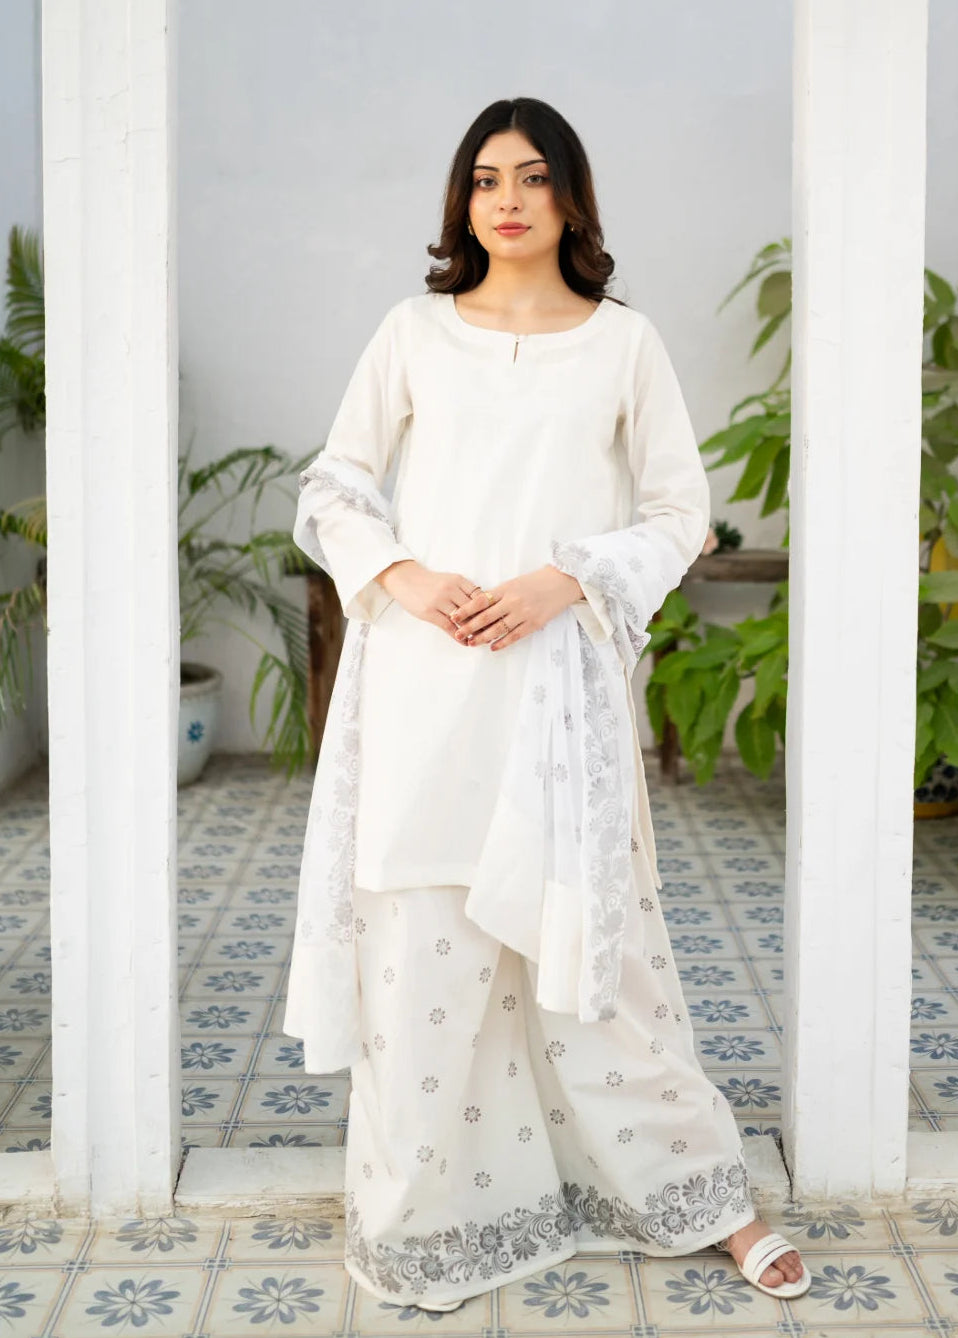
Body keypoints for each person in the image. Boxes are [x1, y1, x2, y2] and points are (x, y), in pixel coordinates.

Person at [284, 96, 810, 1312]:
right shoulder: (414, 331)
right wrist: (405, 577)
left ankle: (702, 1198)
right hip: (425, 680)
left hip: (556, 685)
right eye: (482, 180)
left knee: (598, 953)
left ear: (570, 196)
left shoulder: (622, 343)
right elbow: (335, 483)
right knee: (426, 945)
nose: (505, 199)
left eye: (530, 177)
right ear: (461, 205)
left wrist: (563, 580)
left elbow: (681, 513)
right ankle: (433, 1225)